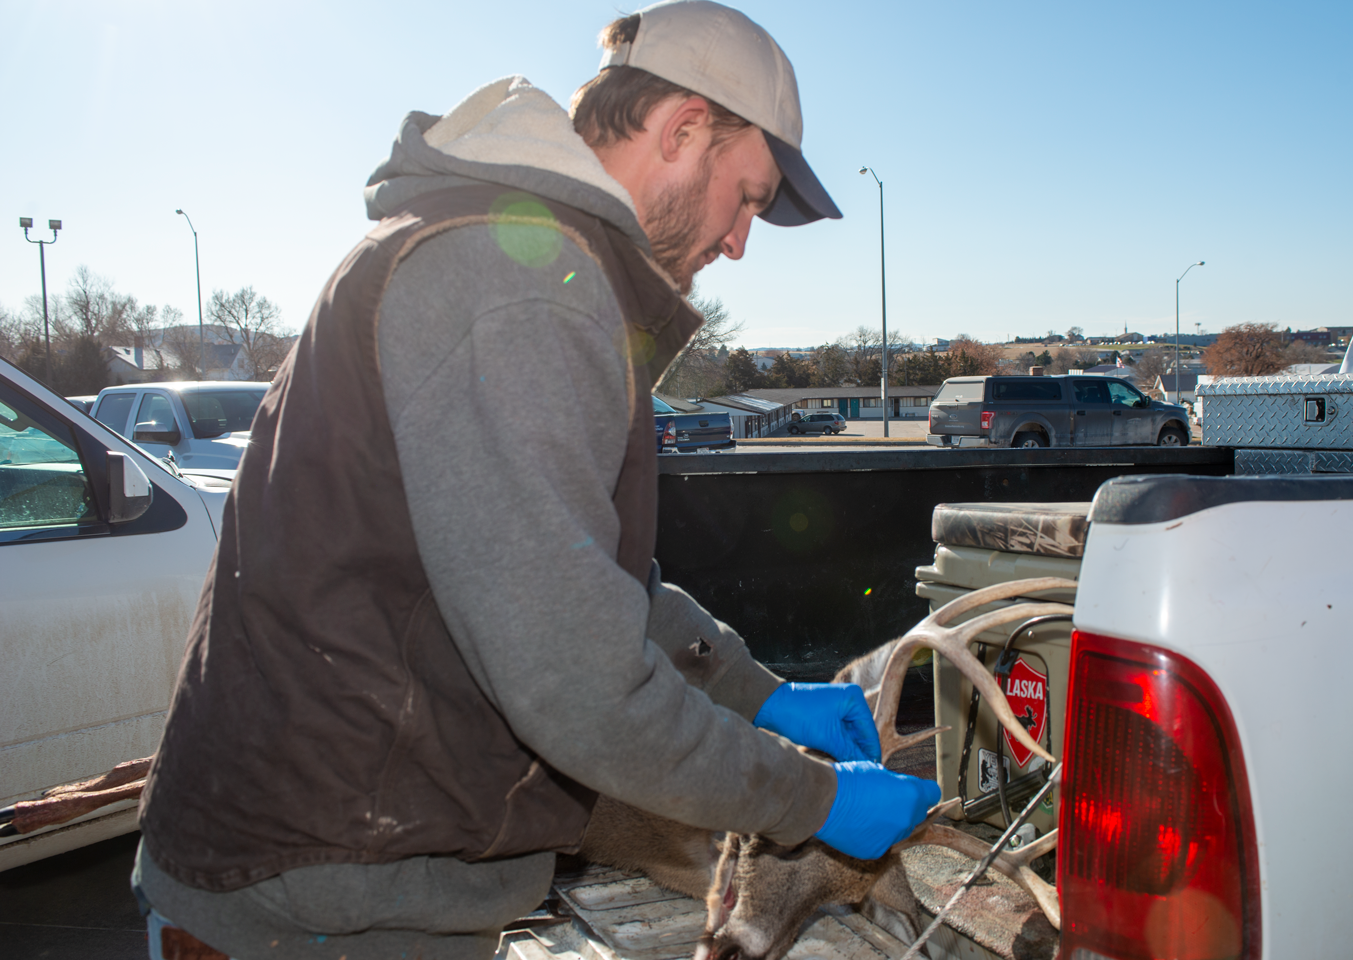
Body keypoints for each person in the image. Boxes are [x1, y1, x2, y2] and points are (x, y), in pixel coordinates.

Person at [132, 3, 940, 958]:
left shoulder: (493, 248)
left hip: (333, 860)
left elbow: (564, 575)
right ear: (682, 130)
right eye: (748, 198)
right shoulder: (521, 287)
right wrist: (815, 798)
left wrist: (754, 692)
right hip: (327, 897)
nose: (738, 243)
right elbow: (578, 683)